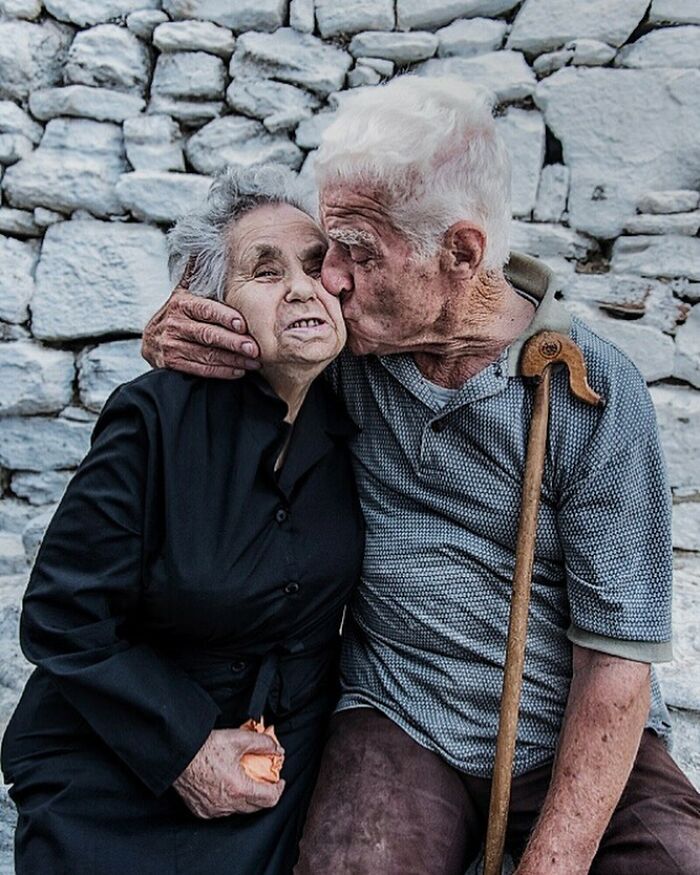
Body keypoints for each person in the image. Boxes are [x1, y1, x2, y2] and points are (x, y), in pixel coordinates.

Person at [143, 77, 700, 874]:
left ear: (462, 254)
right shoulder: (344, 349)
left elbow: (617, 664)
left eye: (358, 250)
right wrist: (167, 334)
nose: (329, 277)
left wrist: (553, 863)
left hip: (566, 721)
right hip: (399, 711)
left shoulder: (586, 390)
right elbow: (231, 337)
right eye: (330, 244)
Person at [1, 166, 365, 875]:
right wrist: (187, 750)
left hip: (273, 780)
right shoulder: (155, 419)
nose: (300, 286)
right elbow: (61, 615)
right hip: (117, 770)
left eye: (316, 266)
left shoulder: (358, 410)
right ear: (214, 310)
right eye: (265, 272)